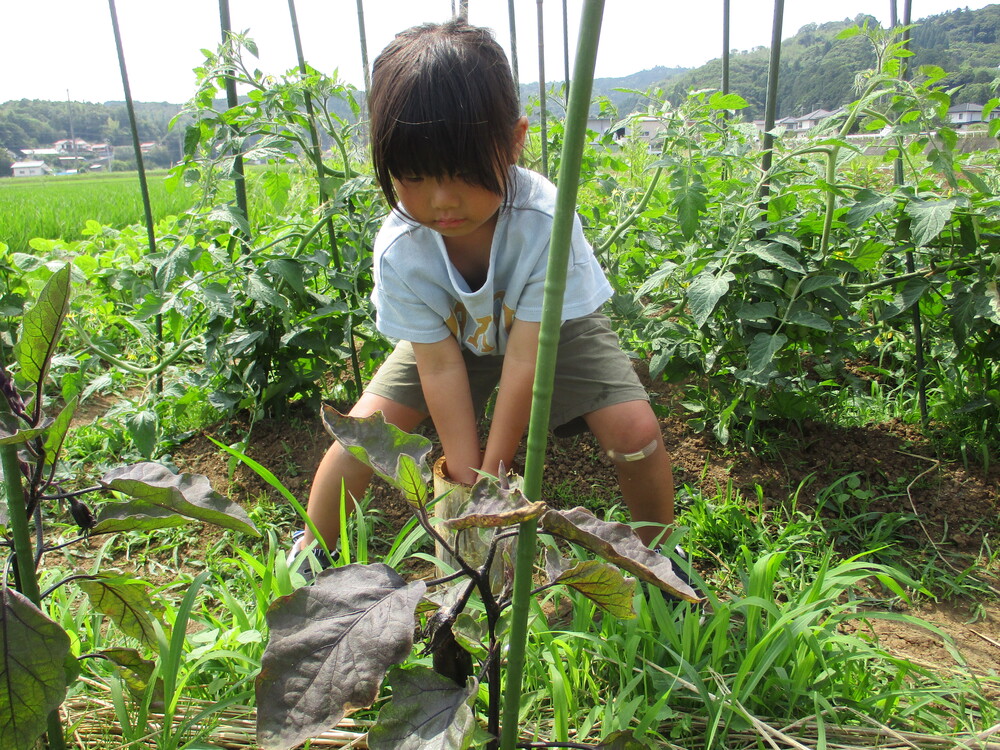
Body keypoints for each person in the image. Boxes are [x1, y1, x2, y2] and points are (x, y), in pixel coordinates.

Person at [289, 19, 681, 570]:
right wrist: (464, 479)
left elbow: (526, 356)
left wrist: (493, 477)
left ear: (514, 142)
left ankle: (662, 556)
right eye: (415, 176)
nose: (442, 200)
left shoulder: (544, 220)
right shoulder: (401, 247)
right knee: (362, 440)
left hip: (552, 333)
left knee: (635, 433)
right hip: (449, 337)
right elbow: (441, 369)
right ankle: (310, 551)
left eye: (462, 171)